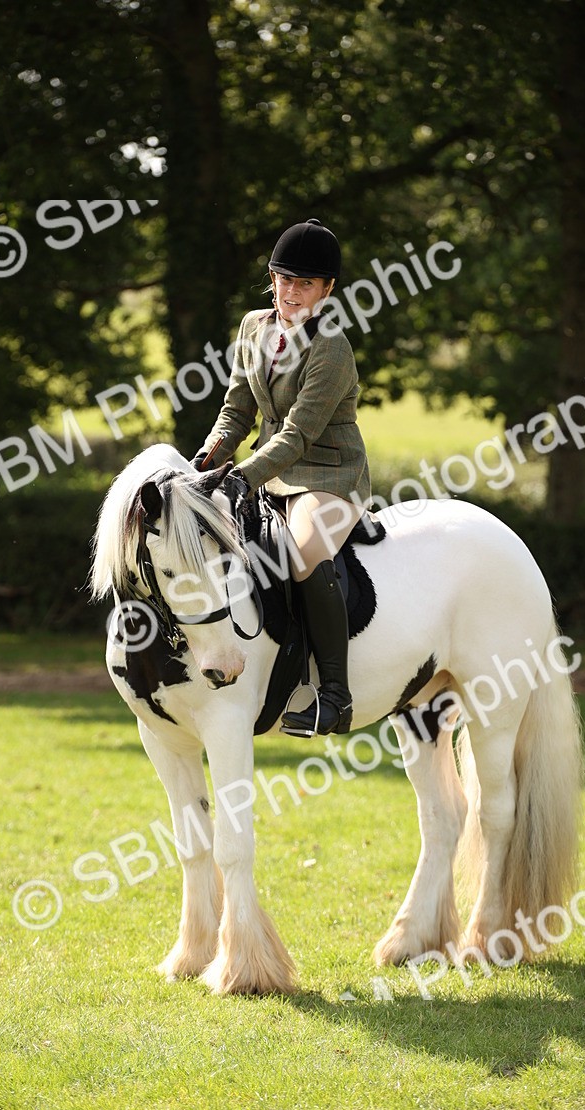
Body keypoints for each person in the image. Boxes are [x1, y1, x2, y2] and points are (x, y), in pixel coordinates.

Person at [191, 218, 371, 737]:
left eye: (305, 283)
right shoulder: (253, 327)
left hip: (328, 474)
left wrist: (242, 477)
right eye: (284, 279)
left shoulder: (332, 346)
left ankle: (335, 697)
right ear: (272, 278)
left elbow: (298, 435)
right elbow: (235, 412)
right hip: (268, 472)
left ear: (327, 289)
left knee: (306, 550)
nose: (292, 292)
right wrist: (202, 464)